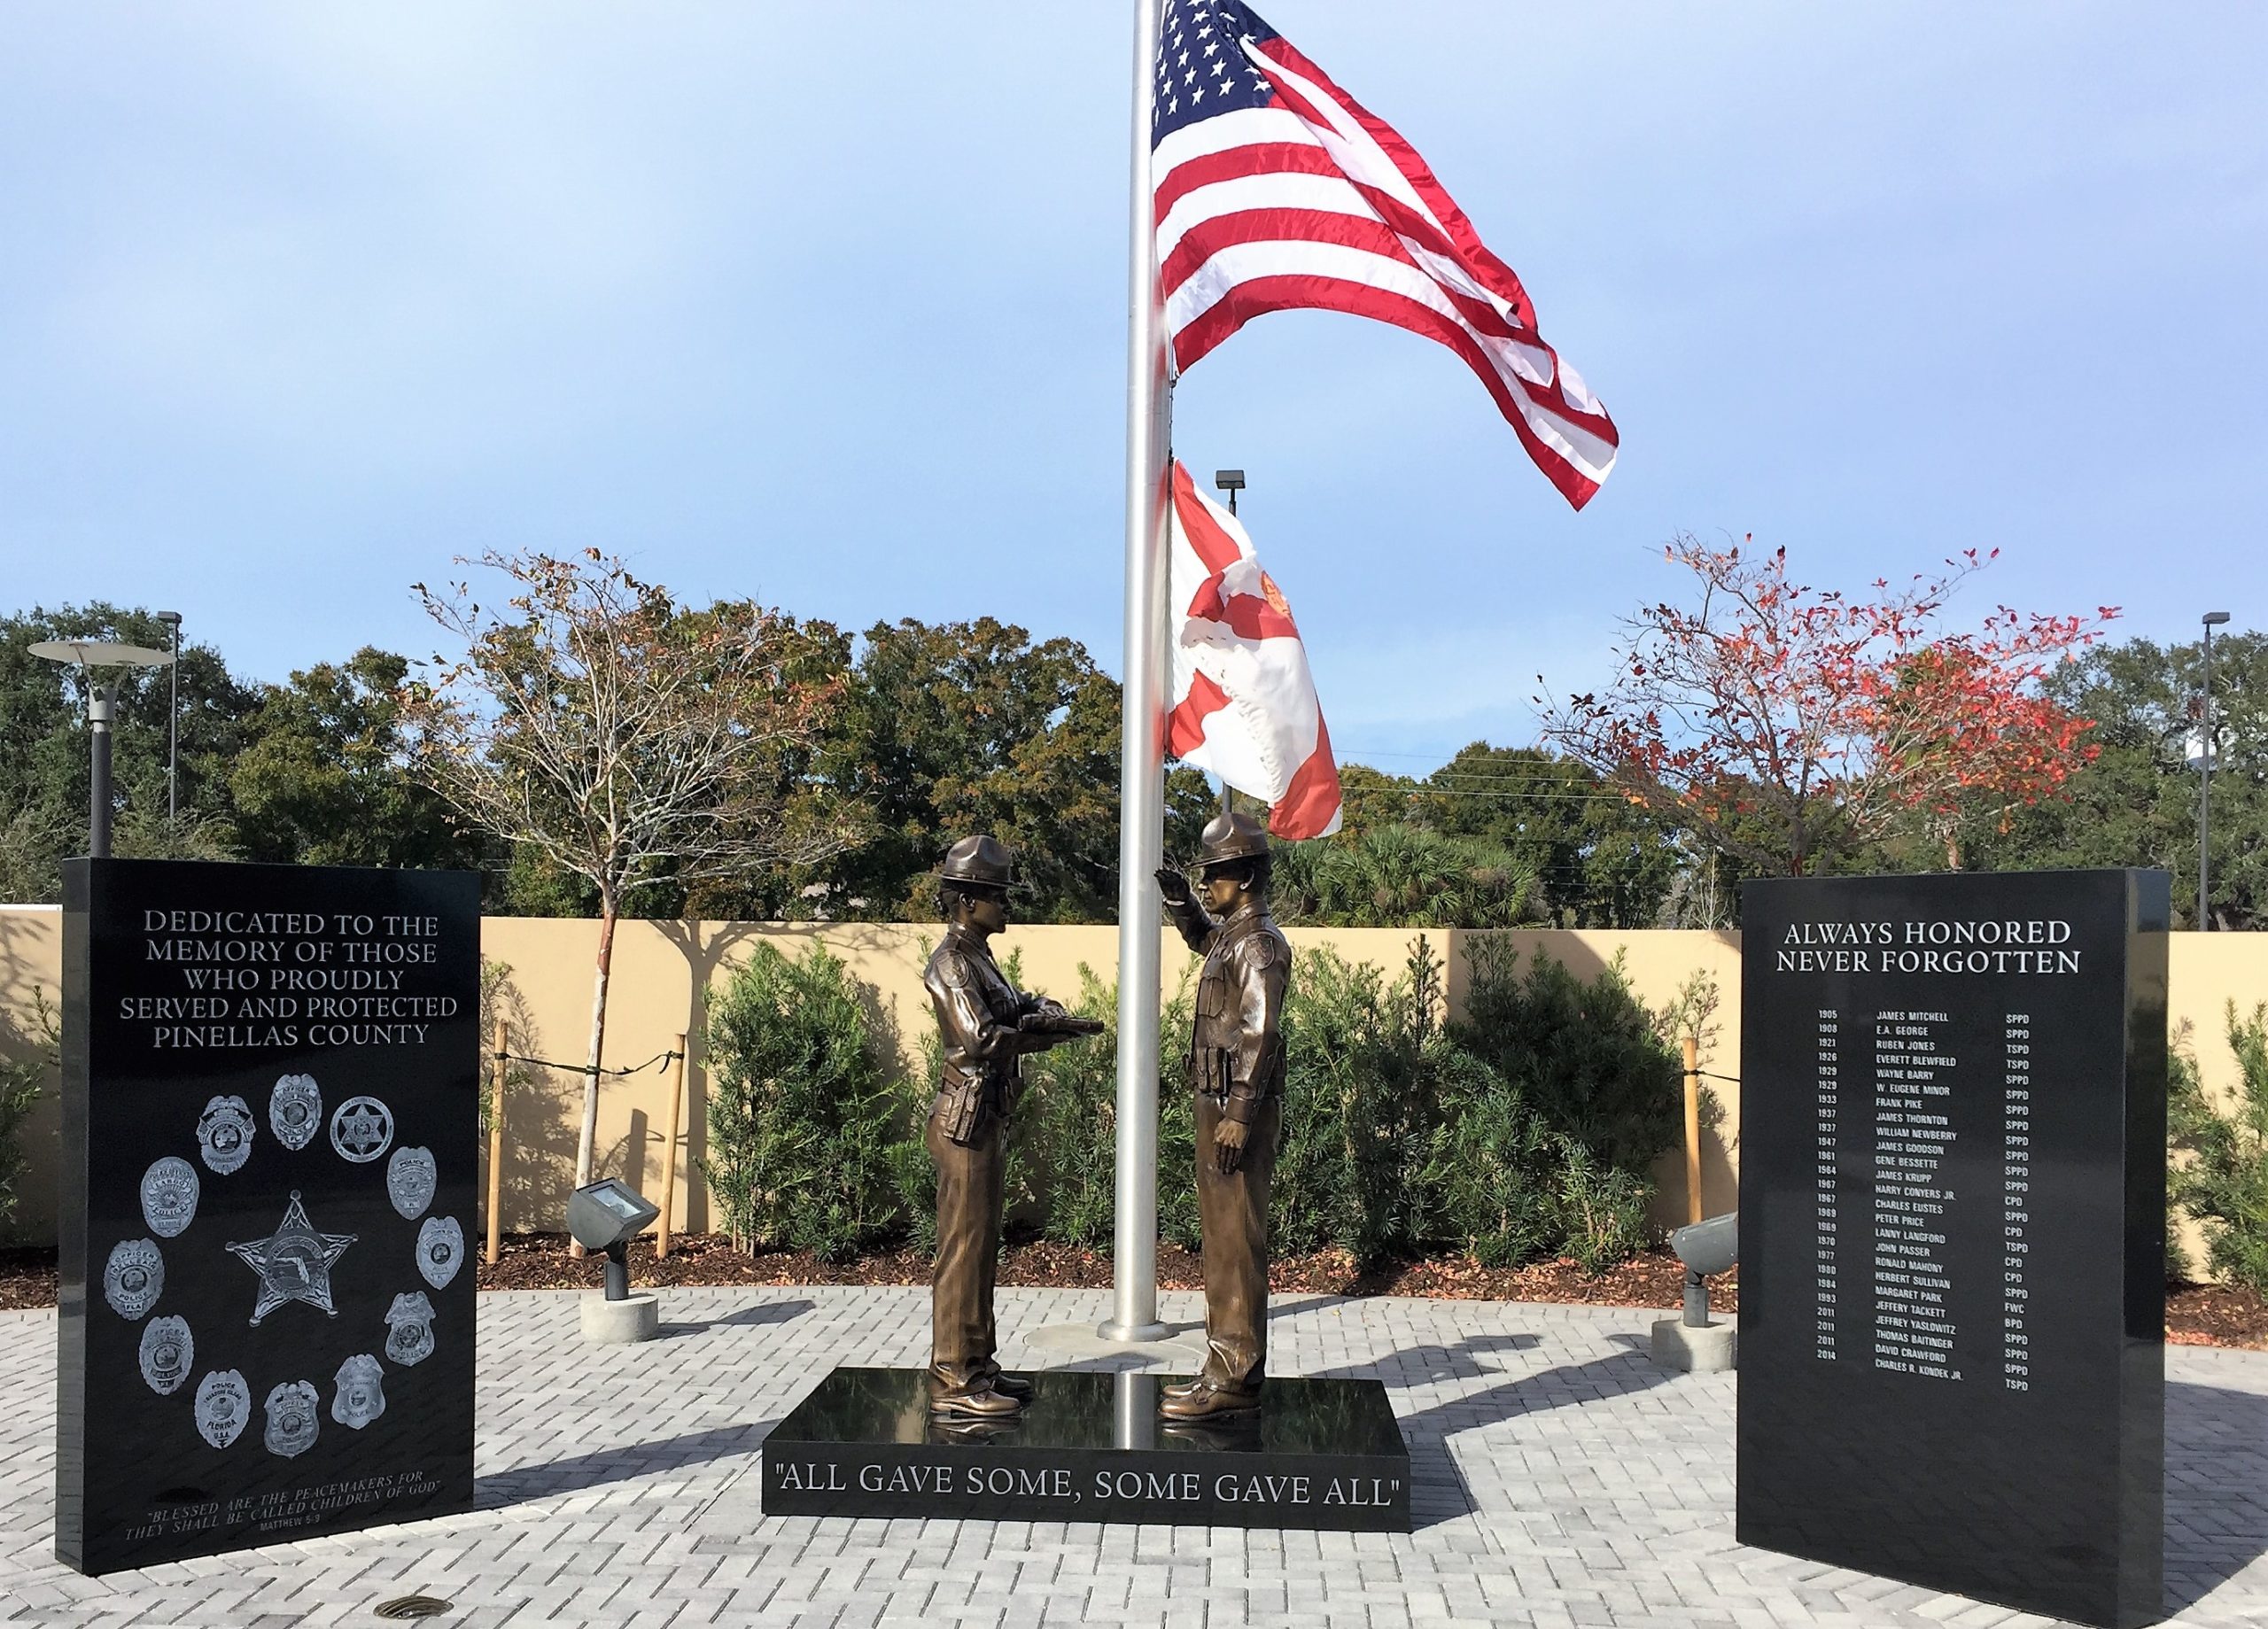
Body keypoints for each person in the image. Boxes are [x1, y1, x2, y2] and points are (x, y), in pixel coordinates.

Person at [923, 834, 1099, 1418]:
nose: (1008, 905)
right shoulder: (950, 962)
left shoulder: (978, 956)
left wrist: (1044, 1009)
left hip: (987, 1115)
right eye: (999, 895)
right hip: (965, 1121)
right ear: (969, 899)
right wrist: (1045, 1034)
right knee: (963, 1248)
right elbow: (981, 1037)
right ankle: (953, 1375)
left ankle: (978, 1365)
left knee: (981, 1248)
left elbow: (1009, 1007)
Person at [1153, 810, 1290, 1420]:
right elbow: (1204, 936)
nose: (1209, 884)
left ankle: (1234, 1375)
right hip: (1217, 1103)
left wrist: (1237, 1111)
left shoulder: (1261, 946)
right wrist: (1183, 904)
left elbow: (1261, 1034)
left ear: (1247, 875)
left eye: (1216, 876)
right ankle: (1222, 1364)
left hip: (1238, 1110)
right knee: (1220, 1237)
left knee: (1236, 1240)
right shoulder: (1234, 935)